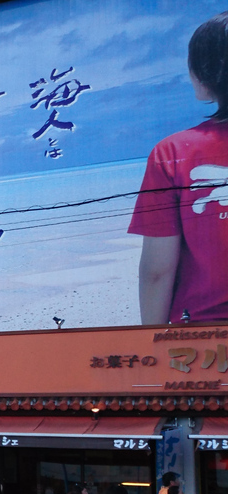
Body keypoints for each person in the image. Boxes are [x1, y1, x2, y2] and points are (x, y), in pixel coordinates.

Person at [132, 12, 228, 324]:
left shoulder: (173, 154)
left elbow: (157, 271)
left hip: (205, 341)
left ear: (204, 73)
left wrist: (151, 343)